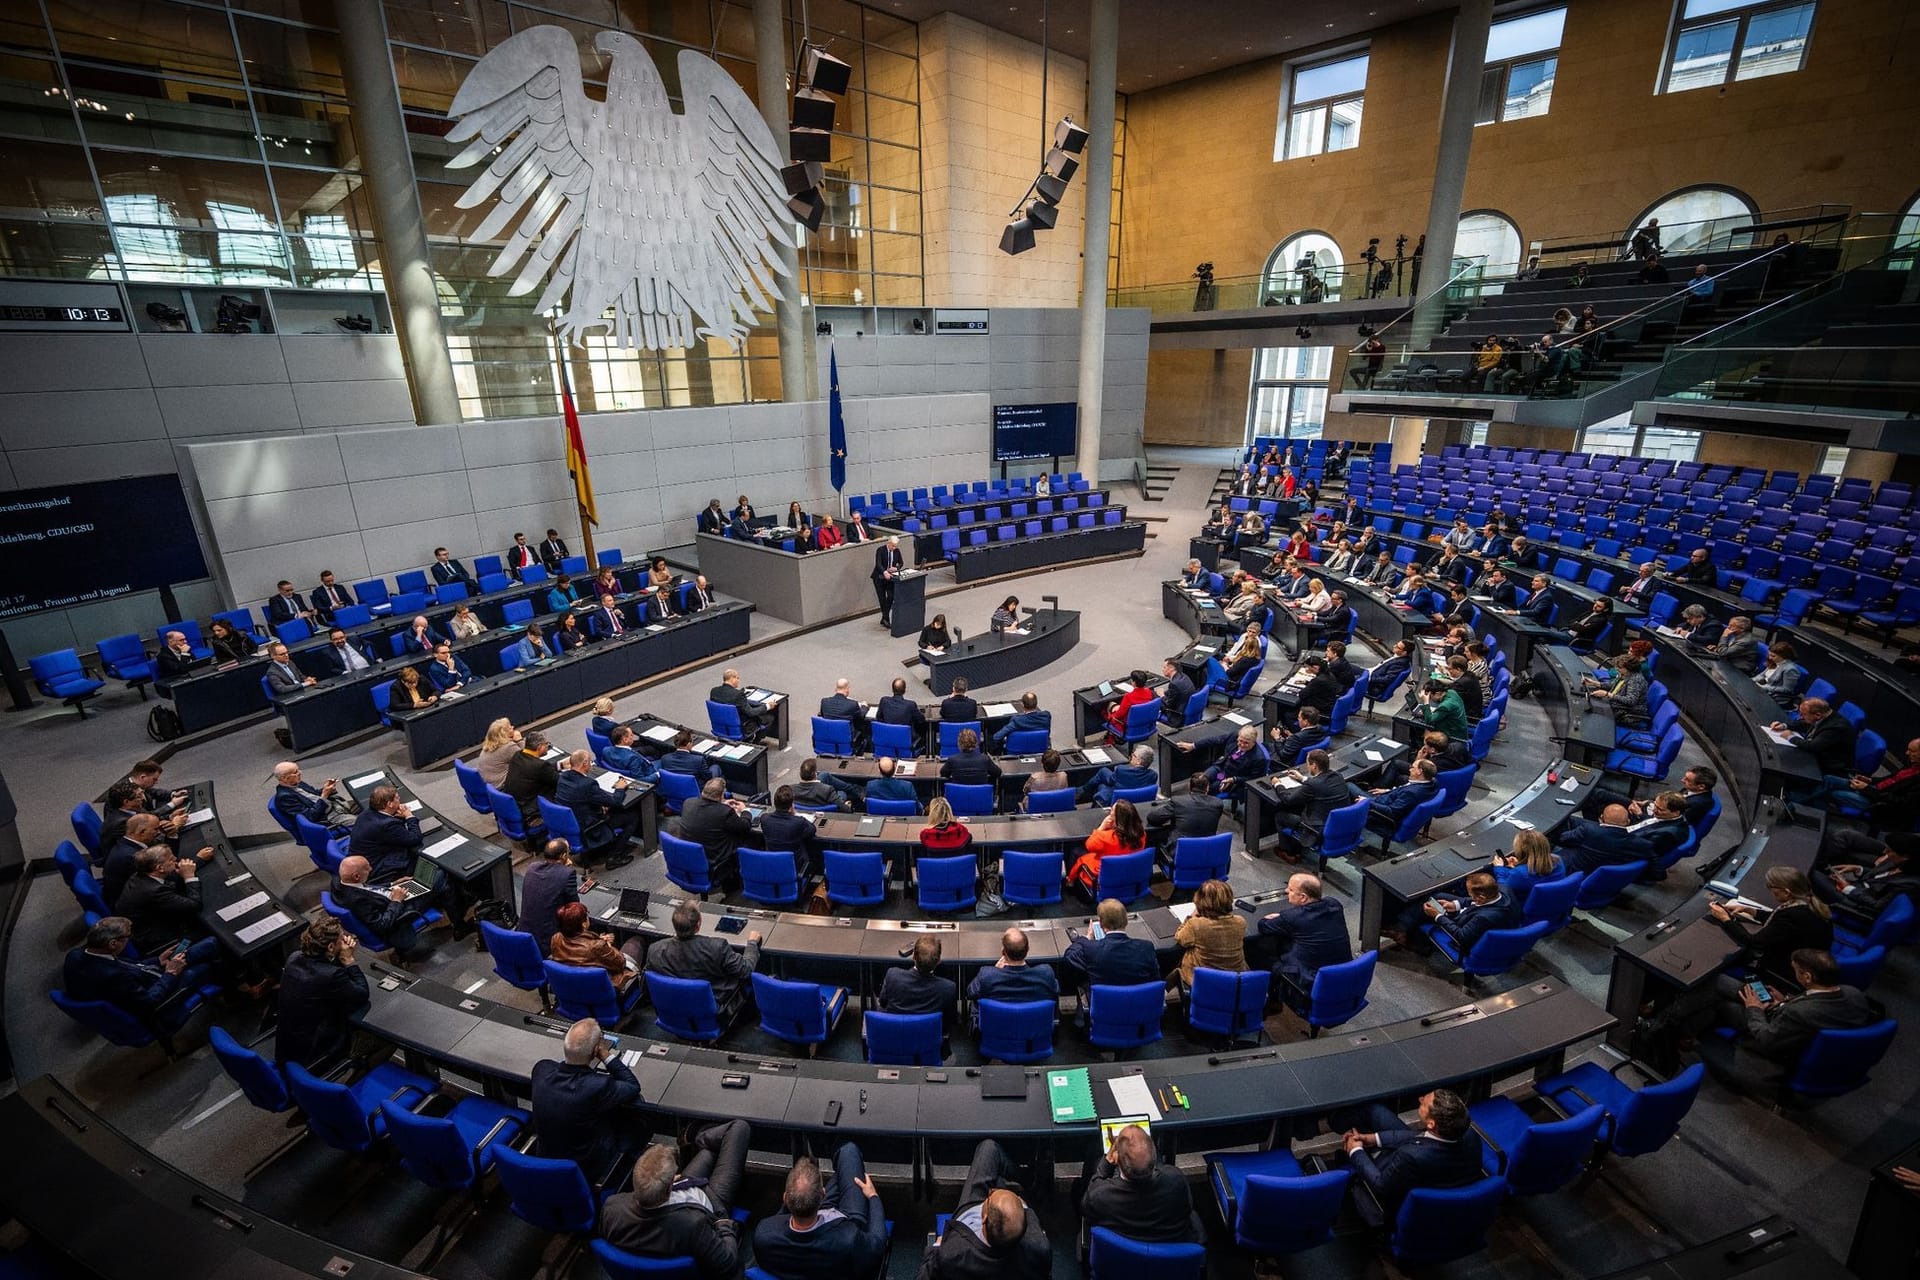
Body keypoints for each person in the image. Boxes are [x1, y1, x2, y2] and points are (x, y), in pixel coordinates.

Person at [1690, 949, 1880, 1098]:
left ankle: (1681, 1024)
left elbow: (1767, 1038)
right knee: (1724, 986)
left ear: (1807, 977)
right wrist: (1784, 1001)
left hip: (1775, 1038)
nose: (1793, 972)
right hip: (1797, 1027)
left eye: (1796, 970)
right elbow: (1817, 1007)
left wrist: (1753, 1008)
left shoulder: (1799, 1012)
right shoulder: (1853, 993)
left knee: (1719, 997)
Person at [600, 1120, 752, 1279]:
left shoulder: (611, 1208)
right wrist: (723, 1223)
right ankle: (695, 1135)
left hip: (682, 1201)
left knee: (710, 1151)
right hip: (711, 1204)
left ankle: (695, 1136)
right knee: (739, 1128)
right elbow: (729, 1266)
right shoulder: (693, 1226)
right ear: (673, 1184)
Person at [1334, 1089, 1486, 1226]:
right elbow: (1421, 1137)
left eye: (1424, 1104)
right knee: (1376, 1111)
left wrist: (1356, 1151)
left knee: (1348, 1150)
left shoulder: (1410, 1156)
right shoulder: (1468, 1135)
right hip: (1439, 1174)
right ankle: (1334, 1122)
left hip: (1399, 1197)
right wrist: (1374, 1138)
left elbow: (1381, 1185)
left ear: (1431, 1124)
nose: (1420, 1099)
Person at [752, 1145, 889, 1280]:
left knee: (847, 1163)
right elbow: (877, 1245)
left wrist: (796, 1198)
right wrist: (873, 1196)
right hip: (845, 1224)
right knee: (849, 1151)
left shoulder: (763, 1234)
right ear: (823, 1195)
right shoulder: (850, 1240)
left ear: (785, 1198)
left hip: (825, 1227)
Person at [919, 1138, 1050, 1280]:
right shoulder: (1039, 1249)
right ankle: (1027, 1179)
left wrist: (936, 1247)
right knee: (998, 1180)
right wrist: (1021, 1204)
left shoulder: (949, 1255)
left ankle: (1021, 1178)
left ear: (984, 1217)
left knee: (988, 1148)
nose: (991, 1192)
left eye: (988, 1198)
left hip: (966, 1219)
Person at [63, 916, 211, 1034]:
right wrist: (170, 972)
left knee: (206, 945)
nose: (129, 940)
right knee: (208, 962)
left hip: (149, 976)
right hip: (162, 993)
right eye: (127, 937)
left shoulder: (76, 955)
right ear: (113, 943)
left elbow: (128, 966)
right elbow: (148, 1001)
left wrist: (157, 960)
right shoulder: (113, 977)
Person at [274, 917, 369, 1069]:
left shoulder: (294, 958)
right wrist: (349, 960)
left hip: (289, 1047)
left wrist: (339, 956)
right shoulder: (332, 976)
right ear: (331, 947)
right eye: (341, 939)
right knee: (377, 1040)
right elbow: (362, 994)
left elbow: (324, 968)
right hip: (318, 1051)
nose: (345, 940)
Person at [1710, 866, 1834, 981]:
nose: (1770, 890)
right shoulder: (1807, 903)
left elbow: (1754, 942)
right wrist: (1749, 910)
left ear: (1786, 892)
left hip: (1786, 967)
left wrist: (1725, 919)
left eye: (1772, 888)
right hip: (1810, 955)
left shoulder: (1791, 916)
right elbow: (1780, 920)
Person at [645, 901, 761, 1019]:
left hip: (675, 1007)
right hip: (713, 1010)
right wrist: (752, 943)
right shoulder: (717, 947)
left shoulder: (655, 950)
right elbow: (746, 970)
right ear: (698, 925)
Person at [1258, 873, 1352, 1001]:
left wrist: (1276, 918)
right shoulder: (1334, 904)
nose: (1286, 891)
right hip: (1345, 975)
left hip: (1311, 981)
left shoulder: (1293, 917)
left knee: (1260, 954)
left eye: (1290, 890)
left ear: (1303, 897)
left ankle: (1271, 1001)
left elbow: (1263, 926)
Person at [1402, 870, 1523, 959]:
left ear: (1481, 897)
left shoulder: (1484, 917)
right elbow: (1475, 901)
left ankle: (1414, 942)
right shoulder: (1502, 889)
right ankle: (1406, 926)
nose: (1469, 895)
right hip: (1474, 913)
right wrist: (1455, 904)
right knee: (1438, 897)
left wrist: (1438, 916)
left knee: (1428, 911)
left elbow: (1461, 936)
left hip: (1465, 931)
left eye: (1470, 893)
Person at [332, 855, 434, 956]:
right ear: (356, 876)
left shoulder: (339, 881)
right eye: (367, 868)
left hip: (390, 897)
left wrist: (392, 884)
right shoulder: (357, 901)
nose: (371, 869)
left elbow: (367, 888)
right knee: (438, 878)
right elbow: (381, 925)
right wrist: (396, 901)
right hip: (399, 913)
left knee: (434, 882)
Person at [555, 749, 640, 864]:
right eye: (590, 762)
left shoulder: (563, 777)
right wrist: (619, 788)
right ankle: (614, 857)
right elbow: (615, 802)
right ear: (585, 763)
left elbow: (580, 799)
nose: (591, 764)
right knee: (632, 816)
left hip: (571, 823)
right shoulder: (587, 784)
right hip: (589, 827)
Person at [675, 775, 757, 889]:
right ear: (721, 795)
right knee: (753, 839)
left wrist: (721, 804)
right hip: (715, 860)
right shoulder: (724, 812)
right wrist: (745, 810)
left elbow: (707, 814)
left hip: (692, 857)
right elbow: (745, 826)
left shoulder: (688, 802)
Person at [1062, 899, 1161, 991]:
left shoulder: (1092, 949)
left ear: (1101, 924)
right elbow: (1155, 980)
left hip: (1105, 1007)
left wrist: (1086, 938)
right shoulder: (1146, 948)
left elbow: (1069, 956)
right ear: (1126, 921)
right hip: (1142, 1007)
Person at [551, 902, 645, 992]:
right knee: (636, 942)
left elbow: (580, 945)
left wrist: (597, 939)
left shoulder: (556, 938)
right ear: (584, 924)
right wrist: (608, 946)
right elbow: (620, 963)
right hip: (605, 989)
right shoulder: (597, 947)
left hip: (572, 988)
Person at [1172, 878, 1246, 988]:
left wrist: (1192, 915)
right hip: (1235, 980)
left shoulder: (1196, 924)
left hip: (1204, 981)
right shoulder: (1240, 921)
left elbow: (1179, 938)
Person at [348, 784, 425, 882]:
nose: (400, 799)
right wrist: (409, 817)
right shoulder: (387, 824)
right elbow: (414, 838)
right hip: (377, 867)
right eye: (397, 798)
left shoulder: (366, 813)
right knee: (418, 852)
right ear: (390, 804)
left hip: (364, 858)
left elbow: (390, 832)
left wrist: (397, 816)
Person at [1068, 800, 1147, 893]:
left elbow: (1089, 845)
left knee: (1076, 851)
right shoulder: (1142, 834)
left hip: (1102, 880)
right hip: (1128, 876)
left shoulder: (1106, 837)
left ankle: (1071, 885)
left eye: (1111, 813)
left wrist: (1102, 827)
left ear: (1117, 819)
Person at [1771, 697, 1859, 778]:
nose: (1800, 717)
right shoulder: (1825, 716)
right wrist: (1784, 726)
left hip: (1829, 766)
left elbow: (1812, 746)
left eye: (1803, 715)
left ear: (1818, 715)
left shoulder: (1835, 728)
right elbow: (1804, 723)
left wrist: (1790, 737)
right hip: (1818, 755)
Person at [1557, 803, 1656, 874]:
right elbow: (1658, 871)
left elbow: (1564, 839)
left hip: (1575, 870)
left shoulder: (1589, 830)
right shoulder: (1642, 844)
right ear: (1628, 821)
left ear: (1601, 818)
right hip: (1604, 876)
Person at [879, 935, 958, 1019]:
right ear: (938, 961)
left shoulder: (892, 976)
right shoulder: (948, 989)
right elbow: (950, 1018)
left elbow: (883, 1003)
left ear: (913, 957)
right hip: (929, 1031)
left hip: (895, 1030)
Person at [1144, 771, 1225, 851]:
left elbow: (1152, 818)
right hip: (1207, 850)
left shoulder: (1179, 801)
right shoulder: (1218, 803)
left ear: (1189, 786)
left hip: (1181, 852)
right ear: (1207, 787)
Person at [272, 760, 354, 834]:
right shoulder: (285, 798)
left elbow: (314, 794)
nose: (300, 773)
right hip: (327, 819)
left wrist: (326, 788)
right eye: (295, 772)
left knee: (363, 807)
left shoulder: (297, 782)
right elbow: (310, 817)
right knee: (362, 822)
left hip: (333, 806)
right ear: (284, 778)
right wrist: (324, 795)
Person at [503, 730, 561, 833]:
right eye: (547, 744)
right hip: (530, 811)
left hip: (515, 804)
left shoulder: (517, 755)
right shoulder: (540, 766)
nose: (548, 746)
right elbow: (559, 781)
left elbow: (538, 770)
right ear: (539, 747)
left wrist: (560, 765)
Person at [757, 786, 821, 876]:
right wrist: (794, 814)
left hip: (772, 864)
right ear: (791, 806)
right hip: (795, 867)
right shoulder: (798, 822)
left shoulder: (765, 819)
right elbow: (812, 830)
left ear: (775, 803)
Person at [1365, 758, 1439, 837]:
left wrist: (1367, 802)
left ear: (1419, 771)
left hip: (1379, 812)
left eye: (1412, 767)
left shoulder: (1411, 793)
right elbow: (1403, 789)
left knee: (1350, 786)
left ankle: (1353, 826)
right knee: (1400, 778)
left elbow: (1391, 812)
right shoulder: (1432, 782)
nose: (1410, 769)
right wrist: (1387, 790)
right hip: (1388, 798)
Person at [1491, 830, 1564, 902]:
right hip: (1553, 901)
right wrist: (1520, 864)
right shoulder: (1557, 860)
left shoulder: (1520, 873)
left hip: (1527, 907)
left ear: (1522, 850)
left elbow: (1504, 893)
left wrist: (1499, 868)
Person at [1080, 744, 1158, 808]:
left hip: (1120, 804)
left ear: (1139, 761)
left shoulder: (1121, 770)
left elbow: (1110, 781)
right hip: (1138, 805)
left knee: (1102, 777)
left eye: (1133, 755)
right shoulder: (1153, 775)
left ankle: (1083, 791)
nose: (1131, 756)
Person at [708, 667, 773, 741]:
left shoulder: (714, 691)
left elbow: (727, 700)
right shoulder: (738, 695)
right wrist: (767, 706)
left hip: (720, 727)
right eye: (738, 678)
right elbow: (751, 712)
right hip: (740, 727)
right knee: (769, 717)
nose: (738, 681)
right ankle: (755, 742)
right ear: (732, 678)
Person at [917, 796, 973, 871]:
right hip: (959, 875)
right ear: (950, 811)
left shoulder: (926, 835)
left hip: (933, 876)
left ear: (932, 814)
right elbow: (969, 838)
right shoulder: (960, 831)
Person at [1105, 669, 1159, 740]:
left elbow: (1119, 715)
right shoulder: (1149, 692)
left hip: (1128, 727)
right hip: (1145, 724)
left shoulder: (1128, 697)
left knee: (1106, 711)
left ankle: (1111, 738)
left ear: (1133, 682)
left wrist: (1113, 713)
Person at [819, 677, 870, 753]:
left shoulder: (824, 702)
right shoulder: (852, 704)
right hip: (846, 742)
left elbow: (822, 716)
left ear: (836, 689)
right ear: (847, 689)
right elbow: (861, 716)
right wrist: (864, 707)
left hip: (827, 739)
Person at [1754, 640, 1805, 707]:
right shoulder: (1774, 661)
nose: (1769, 657)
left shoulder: (1790, 669)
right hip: (1764, 689)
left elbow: (1787, 689)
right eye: (1769, 655)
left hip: (1776, 697)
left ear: (1783, 656)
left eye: (1773, 656)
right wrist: (1752, 680)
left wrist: (1766, 687)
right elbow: (1763, 675)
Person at [475, 717, 523, 787]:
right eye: (510, 728)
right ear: (504, 734)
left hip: (489, 788)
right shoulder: (508, 747)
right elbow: (527, 759)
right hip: (502, 788)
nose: (513, 727)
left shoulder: (487, 746)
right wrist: (519, 740)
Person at [872, 537, 904, 626]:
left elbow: (901, 563)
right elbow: (878, 564)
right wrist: (885, 572)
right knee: (882, 599)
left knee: (891, 596)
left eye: (895, 546)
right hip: (879, 577)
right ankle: (886, 619)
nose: (894, 548)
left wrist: (896, 568)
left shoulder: (897, 551)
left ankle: (884, 618)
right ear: (889, 543)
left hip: (890, 577)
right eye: (893, 546)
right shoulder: (880, 550)